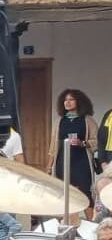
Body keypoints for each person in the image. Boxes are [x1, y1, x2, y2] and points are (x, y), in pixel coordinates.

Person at [50, 89, 98, 219]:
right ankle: (67, 223)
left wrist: (83, 143)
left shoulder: (88, 120)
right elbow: (53, 146)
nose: (67, 102)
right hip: (62, 162)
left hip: (82, 163)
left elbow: (97, 141)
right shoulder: (59, 121)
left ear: (79, 102)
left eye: (71, 99)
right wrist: (49, 166)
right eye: (65, 100)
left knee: (85, 193)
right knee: (65, 194)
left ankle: (92, 223)